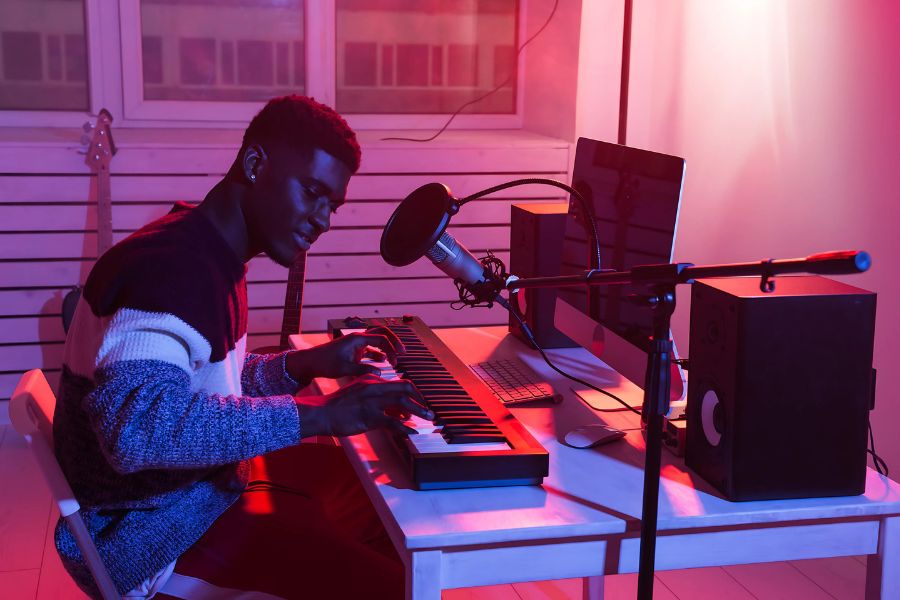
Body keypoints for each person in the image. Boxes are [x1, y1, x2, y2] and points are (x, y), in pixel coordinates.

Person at [54, 95, 433, 599]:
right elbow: (137, 430)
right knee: (391, 587)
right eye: (313, 192)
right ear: (255, 164)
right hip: (150, 543)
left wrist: (305, 364)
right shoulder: (167, 272)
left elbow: (200, 384)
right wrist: (318, 415)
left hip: (197, 495)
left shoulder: (211, 251)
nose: (323, 220)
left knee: (391, 506)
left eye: (332, 206)